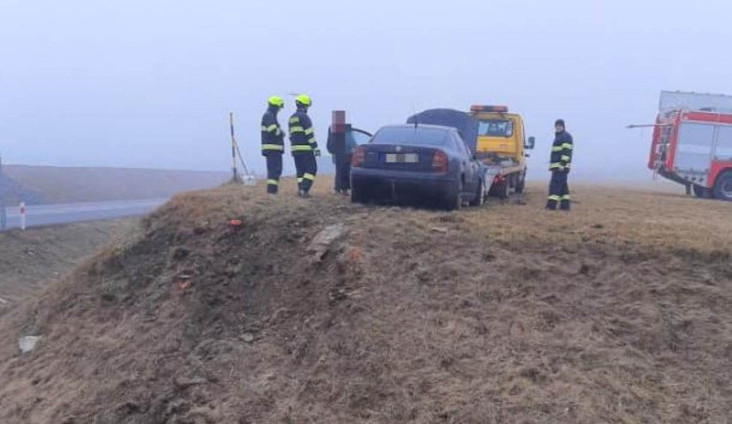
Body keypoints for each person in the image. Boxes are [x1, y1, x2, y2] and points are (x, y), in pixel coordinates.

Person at [288, 94, 320, 198]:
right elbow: (309, 134)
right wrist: (315, 147)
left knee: (300, 171)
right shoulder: (304, 117)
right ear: (305, 105)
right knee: (311, 169)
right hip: (306, 149)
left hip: (295, 149)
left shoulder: (291, 118)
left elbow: (291, 135)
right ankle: (304, 189)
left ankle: (300, 189)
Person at [546, 119, 573, 211]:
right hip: (557, 167)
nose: (557, 128)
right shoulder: (559, 137)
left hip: (560, 167)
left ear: (563, 126)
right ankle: (565, 206)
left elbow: (566, 152)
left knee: (555, 186)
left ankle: (551, 206)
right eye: (556, 126)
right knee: (563, 187)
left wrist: (563, 164)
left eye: (559, 126)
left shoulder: (565, 137)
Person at [260, 96, 286, 194]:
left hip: (274, 149)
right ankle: (271, 192)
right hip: (272, 149)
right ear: (275, 106)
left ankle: (273, 191)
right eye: (279, 107)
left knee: (276, 170)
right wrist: (281, 133)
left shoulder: (270, 115)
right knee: (274, 170)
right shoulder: (268, 116)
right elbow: (272, 130)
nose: (280, 109)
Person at [327, 125, 358, 194]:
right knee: (345, 172)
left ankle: (337, 188)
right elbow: (351, 142)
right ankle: (344, 189)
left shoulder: (333, 128)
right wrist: (357, 148)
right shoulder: (346, 130)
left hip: (337, 154)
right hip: (346, 154)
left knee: (338, 171)